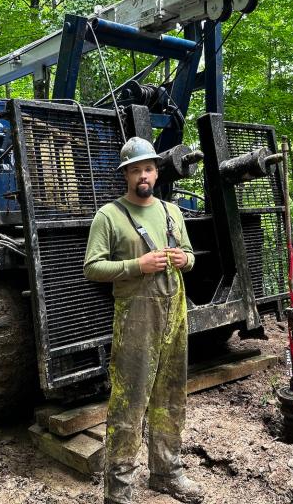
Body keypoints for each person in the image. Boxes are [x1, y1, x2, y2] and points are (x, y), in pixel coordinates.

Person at [84, 137, 204, 504]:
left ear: (156, 171)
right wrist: (137, 266)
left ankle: (166, 473)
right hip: (135, 317)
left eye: (148, 168)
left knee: (171, 396)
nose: (143, 175)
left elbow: (188, 253)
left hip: (175, 314)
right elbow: (92, 268)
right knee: (129, 402)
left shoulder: (172, 212)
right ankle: (118, 491)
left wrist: (187, 260)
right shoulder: (109, 216)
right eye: (135, 170)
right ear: (126, 175)